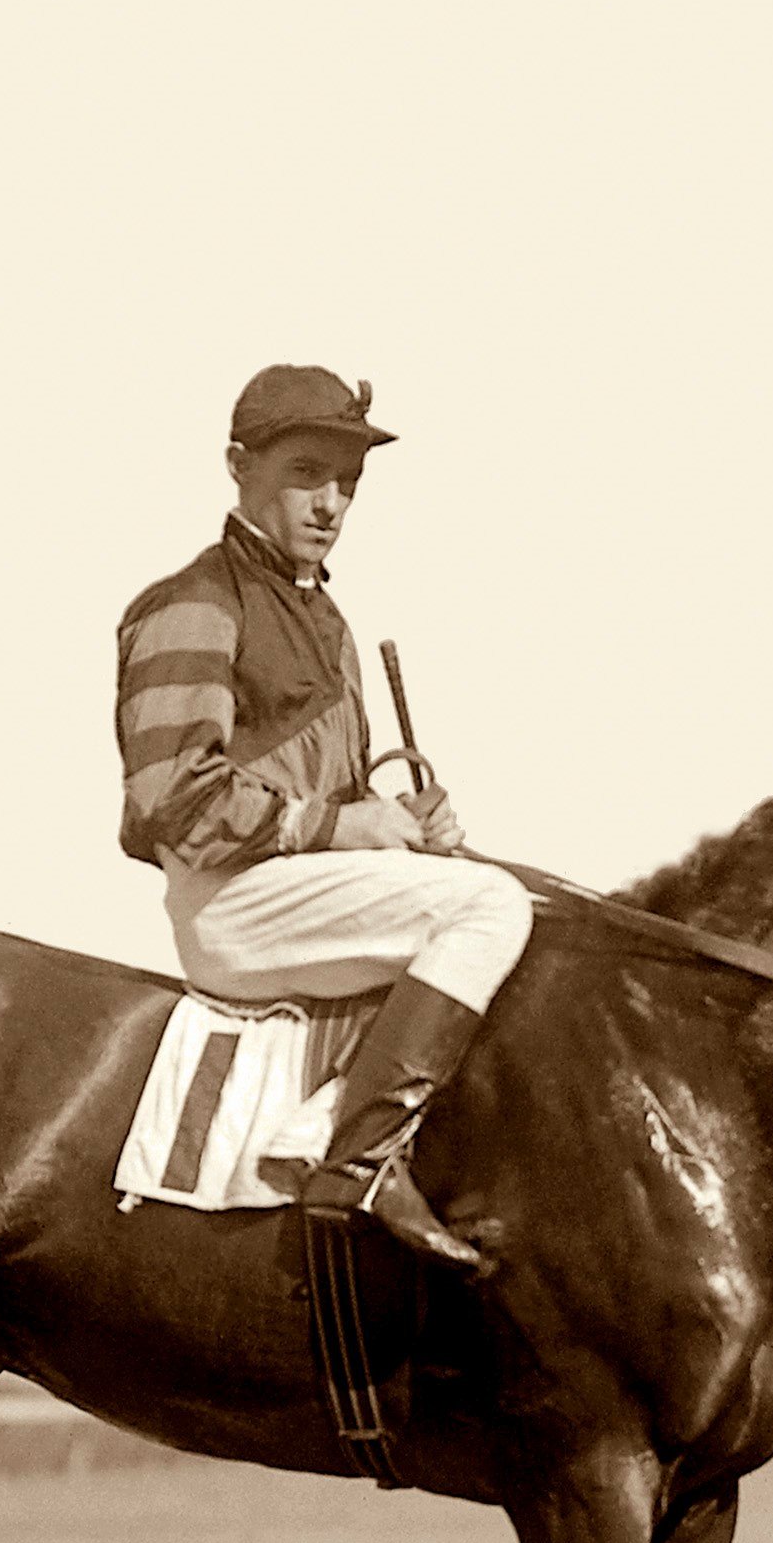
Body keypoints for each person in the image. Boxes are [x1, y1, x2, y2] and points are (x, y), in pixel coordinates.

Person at [113, 366, 533, 1271]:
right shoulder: (192, 604)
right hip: (233, 903)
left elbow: (337, 803)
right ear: (238, 465)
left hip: (291, 883)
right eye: (307, 472)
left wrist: (403, 824)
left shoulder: (327, 623)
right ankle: (357, 1159)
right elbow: (171, 800)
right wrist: (344, 830)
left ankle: (318, 1127)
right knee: (490, 909)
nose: (331, 502)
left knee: (514, 904)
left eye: (347, 483)